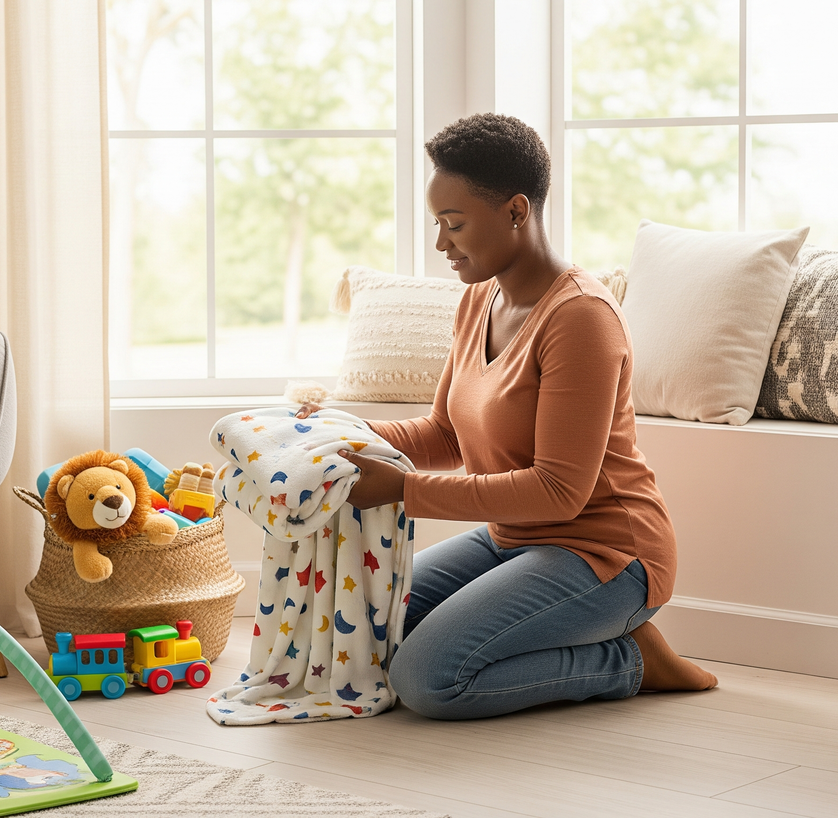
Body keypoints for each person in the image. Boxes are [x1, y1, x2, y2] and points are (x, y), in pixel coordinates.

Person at [298, 113, 717, 720]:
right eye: (437, 224)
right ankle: (562, 634)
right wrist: (342, 432)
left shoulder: (581, 319)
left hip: (605, 554)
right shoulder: (478, 298)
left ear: (517, 211)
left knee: (427, 681)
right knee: (366, 627)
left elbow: (559, 492)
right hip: (511, 538)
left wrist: (403, 490)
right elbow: (444, 435)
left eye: (455, 224)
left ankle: (628, 659)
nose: (441, 244)